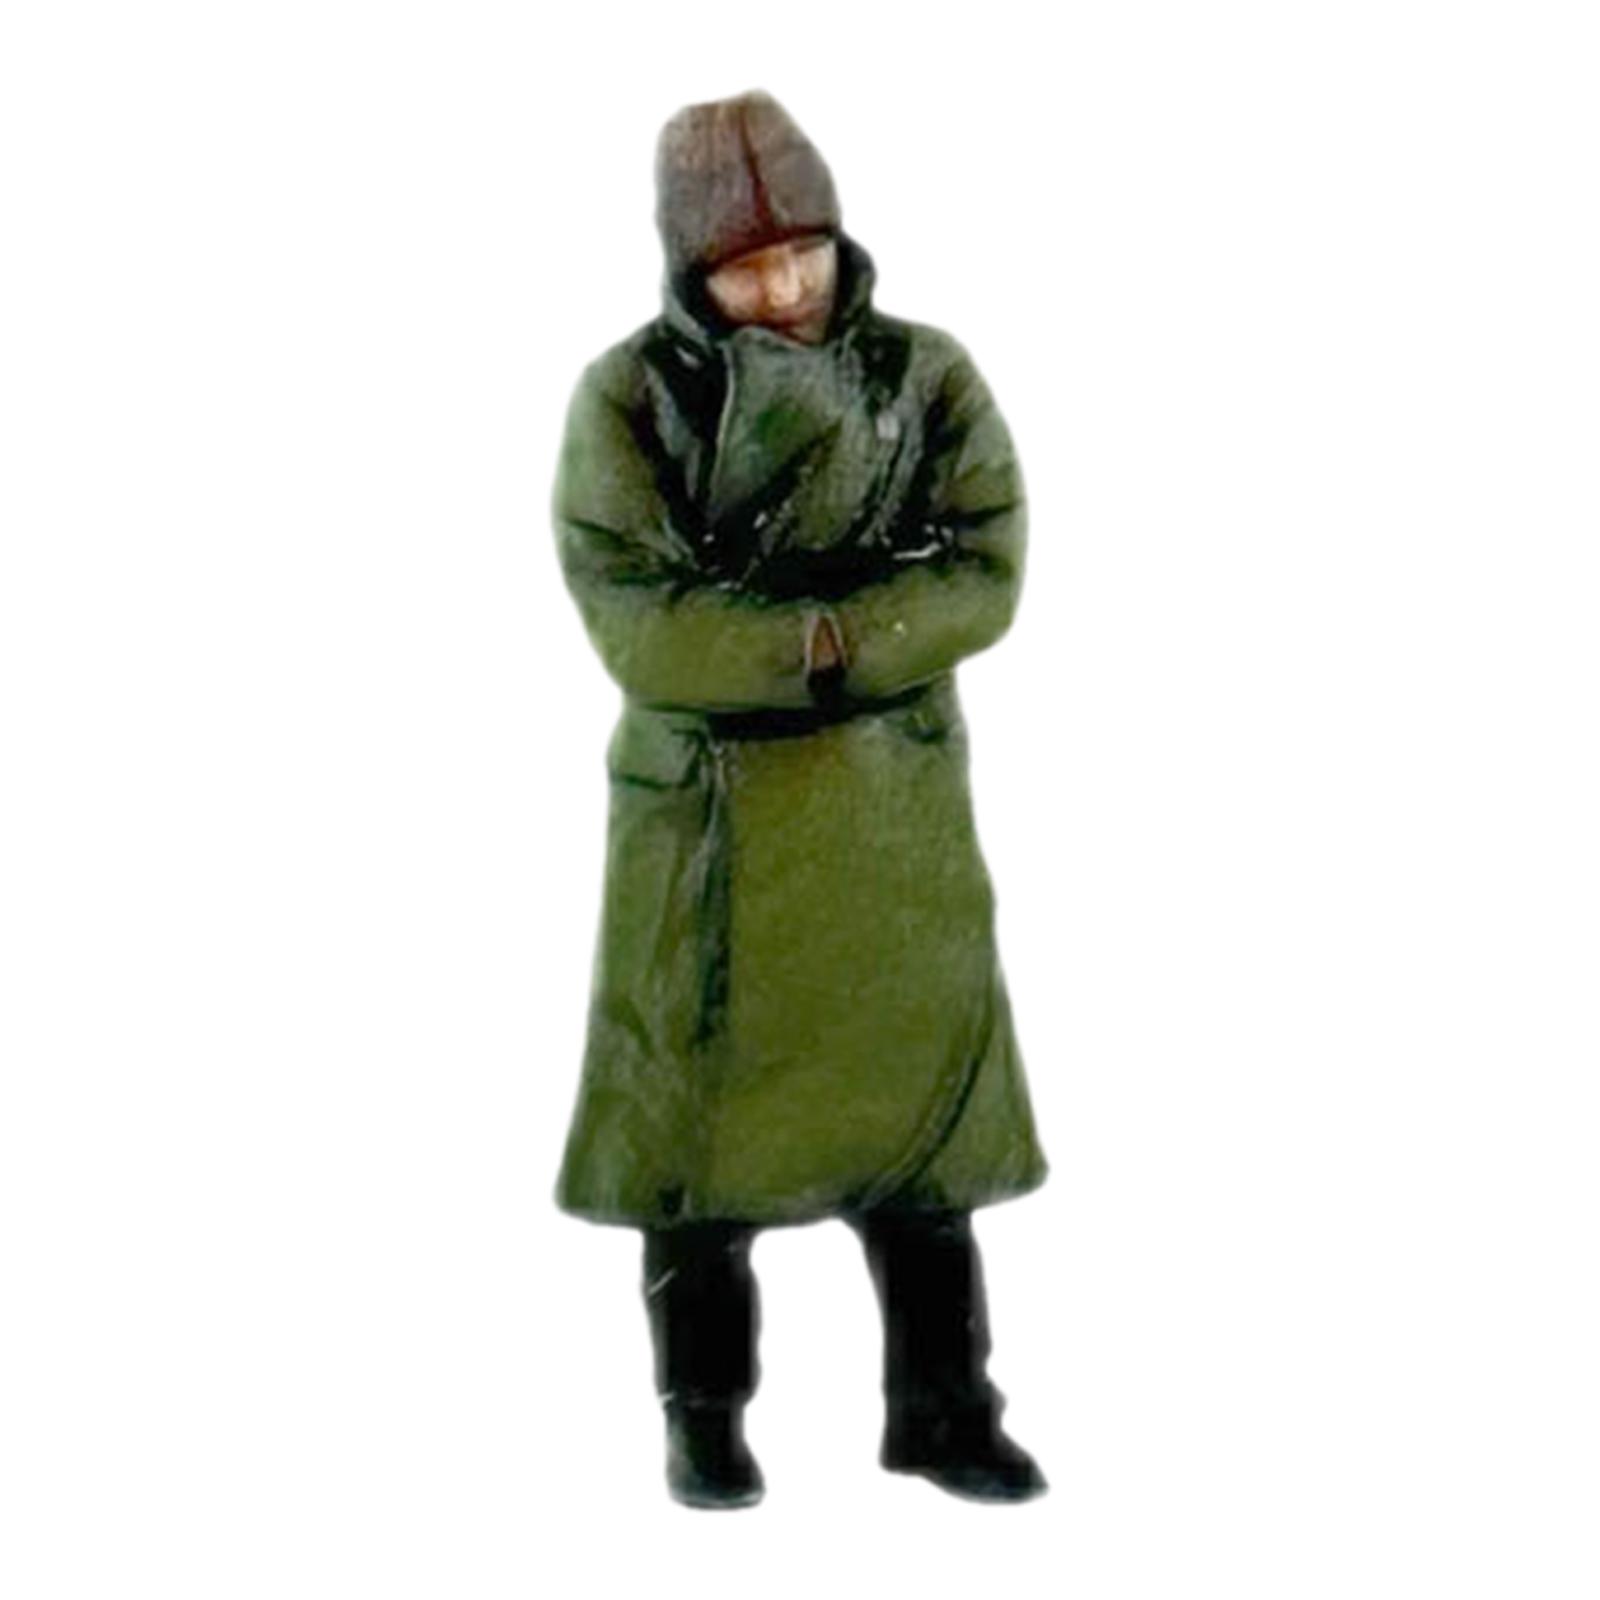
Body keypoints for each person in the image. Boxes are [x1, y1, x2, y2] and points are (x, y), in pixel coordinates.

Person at [553, 90, 1048, 1507]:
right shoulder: (629, 397)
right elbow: (637, 616)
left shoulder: (925, 375)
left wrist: (849, 643)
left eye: (802, 254)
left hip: (891, 821)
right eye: (747, 267)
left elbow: (986, 562)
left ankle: (944, 1407)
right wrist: (812, 648)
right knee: (696, 1150)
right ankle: (702, 1416)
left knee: (925, 1133)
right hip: (710, 825)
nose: (783, 289)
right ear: (692, 271)